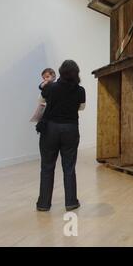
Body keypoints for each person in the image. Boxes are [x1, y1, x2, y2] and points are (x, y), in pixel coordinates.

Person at [37, 60, 86, 212]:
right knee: (69, 167)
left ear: (60, 72)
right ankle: (71, 202)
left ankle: (43, 204)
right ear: (76, 73)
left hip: (50, 129)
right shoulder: (80, 90)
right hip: (70, 129)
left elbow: (41, 102)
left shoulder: (51, 87)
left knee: (47, 167)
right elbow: (81, 108)